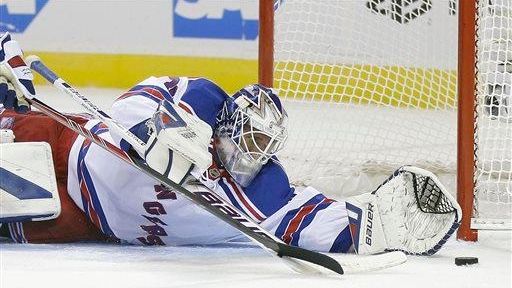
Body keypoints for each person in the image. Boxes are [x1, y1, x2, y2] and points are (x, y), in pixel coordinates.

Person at [0, 32, 461, 255]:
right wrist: (157, 131)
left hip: (80, 217)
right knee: (8, 116)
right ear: (228, 123)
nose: (251, 152)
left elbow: (317, 222)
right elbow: (135, 103)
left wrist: (382, 224)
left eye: (263, 144)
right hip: (69, 143)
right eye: (249, 136)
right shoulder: (199, 99)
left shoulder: (264, 191)